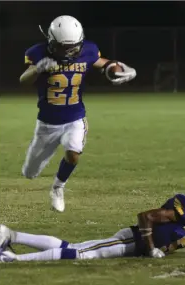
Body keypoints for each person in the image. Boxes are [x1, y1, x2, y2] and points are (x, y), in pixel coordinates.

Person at [20, 15, 136, 212]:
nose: (69, 51)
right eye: (63, 47)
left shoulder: (88, 50)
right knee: (29, 173)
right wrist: (38, 69)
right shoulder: (37, 53)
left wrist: (122, 68)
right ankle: (36, 169)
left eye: (73, 46)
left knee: (73, 154)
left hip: (75, 117)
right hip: (47, 123)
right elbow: (24, 80)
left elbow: (104, 63)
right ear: (51, 41)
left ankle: (58, 187)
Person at [0, 177, 185, 262]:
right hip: (132, 240)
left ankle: (11, 235)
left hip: (135, 246)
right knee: (81, 254)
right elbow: (145, 217)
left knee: (73, 248)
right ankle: (13, 259)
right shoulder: (182, 209)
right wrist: (149, 248)